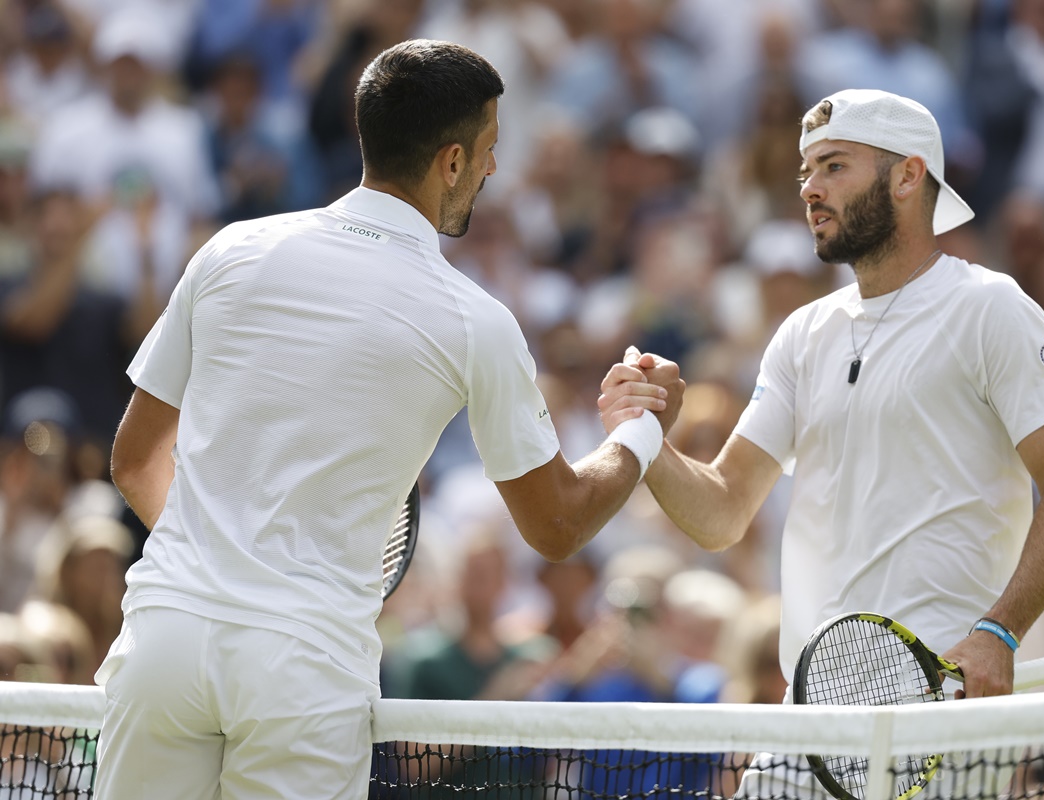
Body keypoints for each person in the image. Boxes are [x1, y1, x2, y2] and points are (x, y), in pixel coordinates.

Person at [93, 39, 682, 800]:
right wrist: (640, 428)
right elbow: (557, 526)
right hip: (301, 671)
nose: (495, 169)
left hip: (164, 641)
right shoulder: (475, 320)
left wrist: (227, 559)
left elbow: (136, 460)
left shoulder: (229, 251)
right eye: (489, 150)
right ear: (450, 162)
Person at [598, 87, 1044, 760]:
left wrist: (1000, 633)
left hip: (941, 716)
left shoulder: (991, 308)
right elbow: (721, 512)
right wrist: (645, 436)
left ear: (908, 175)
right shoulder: (801, 335)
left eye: (834, 166)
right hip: (808, 718)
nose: (809, 187)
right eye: (806, 170)